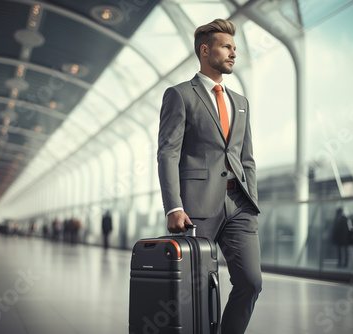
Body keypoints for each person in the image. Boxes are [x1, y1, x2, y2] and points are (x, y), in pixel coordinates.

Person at [157, 18, 261, 334]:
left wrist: (251, 200)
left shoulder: (240, 103)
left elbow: (247, 158)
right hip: (196, 207)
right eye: (226, 47)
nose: (233, 53)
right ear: (205, 50)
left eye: (234, 48)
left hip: (239, 205)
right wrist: (174, 207)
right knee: (195, 287)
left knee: (251, 282)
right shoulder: (180, 95)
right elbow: (168, 153)